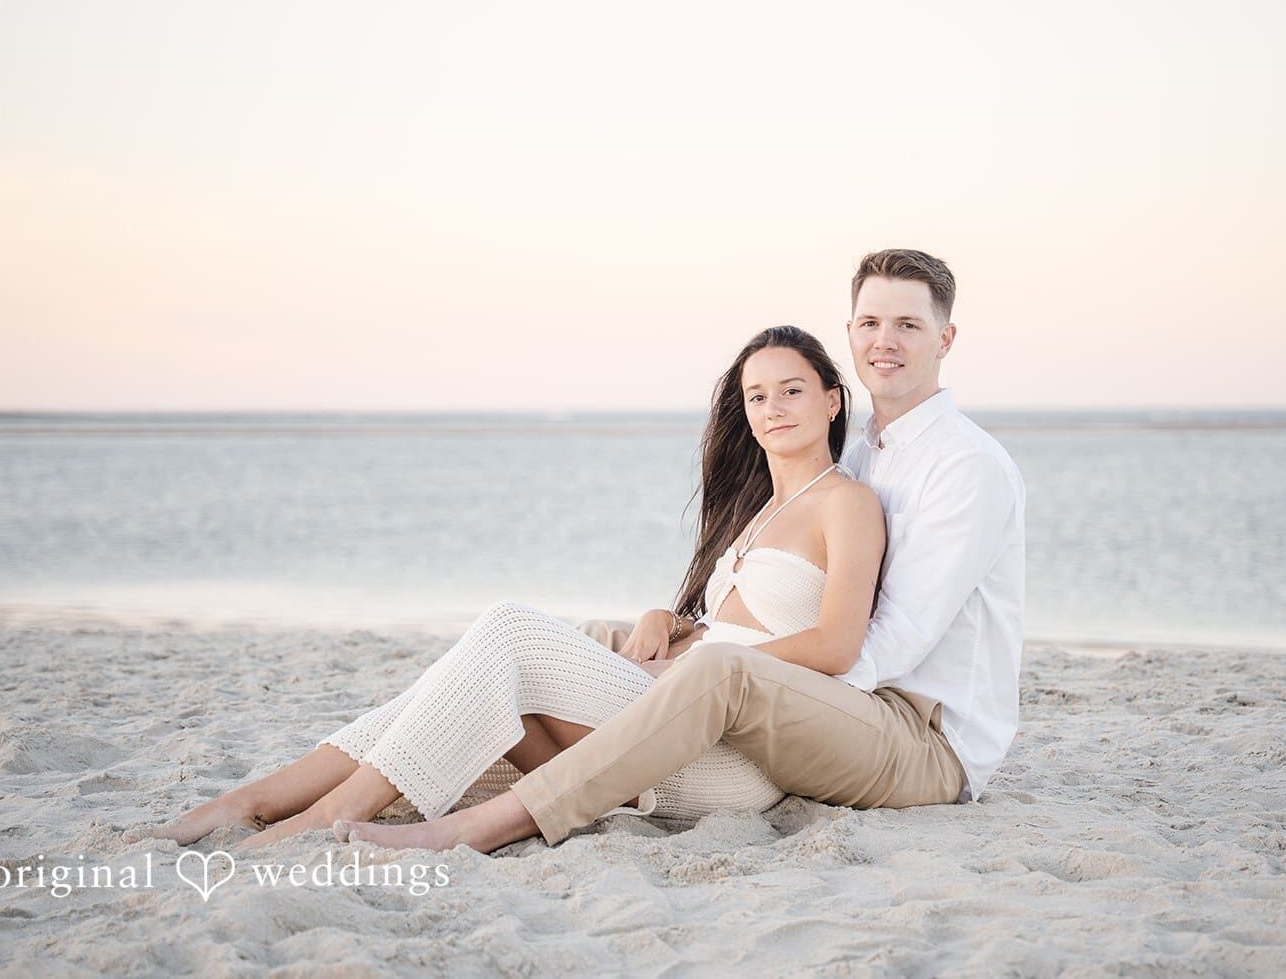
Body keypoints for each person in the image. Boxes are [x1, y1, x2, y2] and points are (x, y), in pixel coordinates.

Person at [329, 248, 1026, 854]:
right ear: (849, 333)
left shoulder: (964, 466)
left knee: (708, 671)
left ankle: (485, 826)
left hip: (922, 738)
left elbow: (883, 644)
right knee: (580, 640)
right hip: (848, 706)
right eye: (870, 322)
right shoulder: (868, 444)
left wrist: (703, 675)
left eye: (908, 323)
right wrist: (686, 635)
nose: (886, 339)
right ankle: (323, 786)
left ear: (946, 336)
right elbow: (799, 590)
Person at [124, 324, 886, 850]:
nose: (772, 409)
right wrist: (671, 620)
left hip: (730, 758)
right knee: (466, 699)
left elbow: (835, 643)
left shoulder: (845, 502)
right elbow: (738, 624)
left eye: (791, 391)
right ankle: (251, 801)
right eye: (757, 396)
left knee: (510, 629)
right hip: (671, 718)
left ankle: (321, 814)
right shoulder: (757, 511)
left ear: (831, 399)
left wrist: (695, 665)